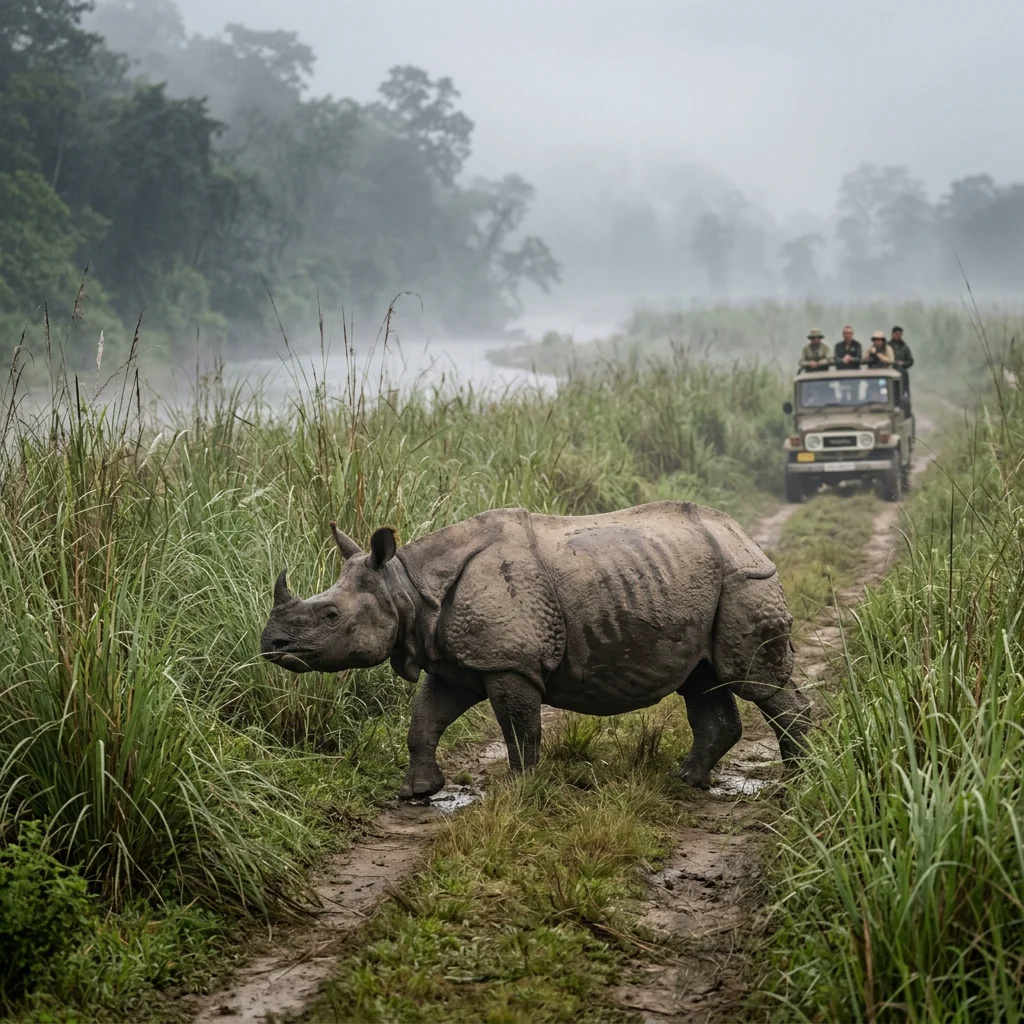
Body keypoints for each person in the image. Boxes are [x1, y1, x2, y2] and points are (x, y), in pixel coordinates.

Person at [890, 325, 914, 399]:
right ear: (892, 334)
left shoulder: (905, 347)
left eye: (900, 334)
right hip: (889, 370)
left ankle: (905, 396)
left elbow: (910, 360)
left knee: (903, 386)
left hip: (901, 371)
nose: (898, 336)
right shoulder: (887, 346)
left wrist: (903, 363)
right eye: (897, 334)